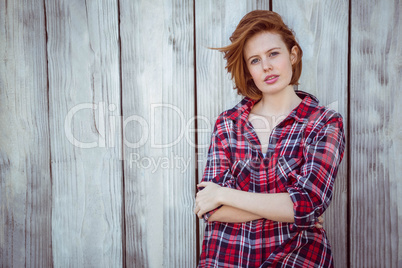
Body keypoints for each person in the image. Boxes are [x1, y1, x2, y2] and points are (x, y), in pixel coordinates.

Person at [194, 10, 346, 267]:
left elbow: (308, 203)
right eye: (255, 60)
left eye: (273, 54)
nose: (266, 66)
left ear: (293, 55)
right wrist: (289, 209)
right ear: (248, 70)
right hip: (227, 257)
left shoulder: (324, 123)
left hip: (297, 257)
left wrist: (224, 194)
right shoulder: (228, 124)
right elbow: (211, 209)